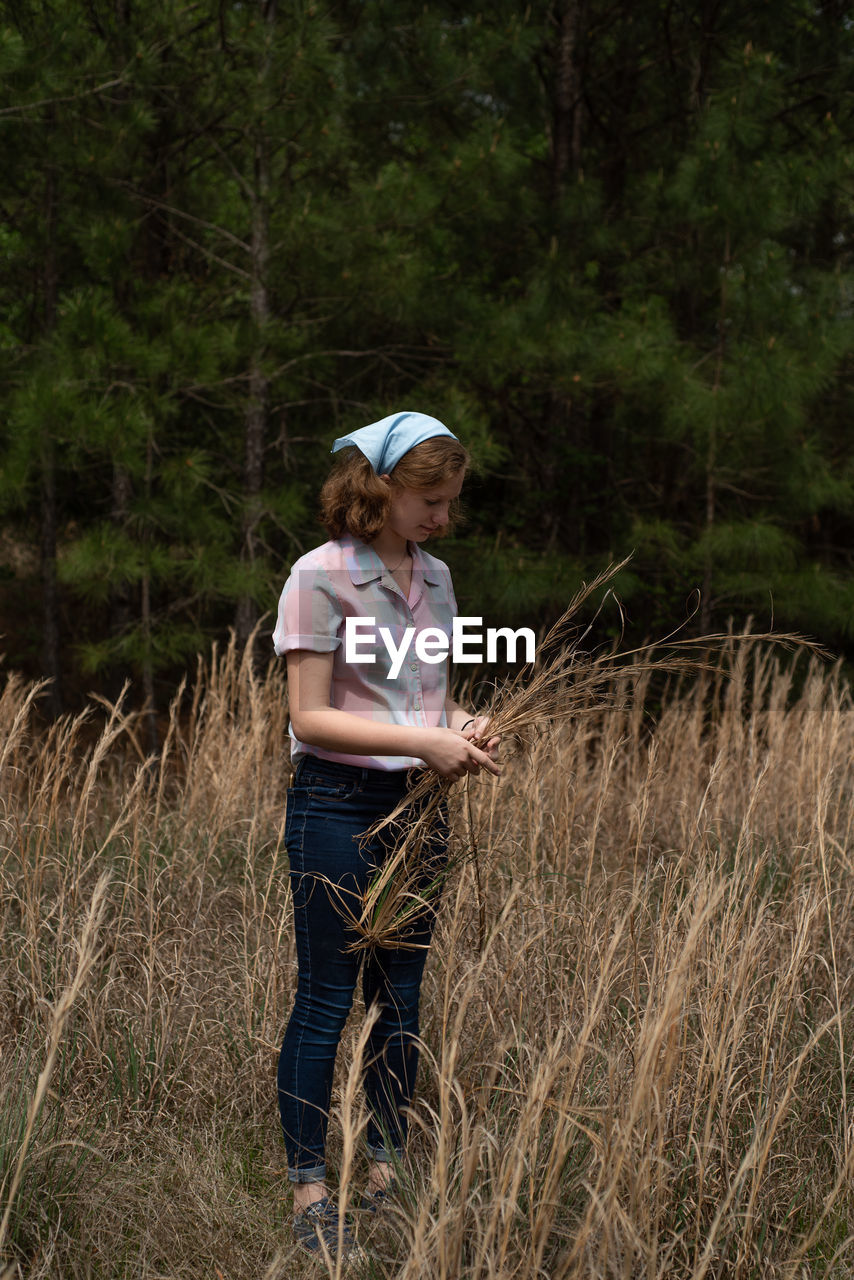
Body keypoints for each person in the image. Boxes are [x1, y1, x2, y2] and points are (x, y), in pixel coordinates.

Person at [272, 410, 500, 1259]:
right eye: (429, 500)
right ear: (379, 490)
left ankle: (383, 1178)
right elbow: (309, 714)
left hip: (419, 809)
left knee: (400, 1002)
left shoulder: (436, 580)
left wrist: (467, 727)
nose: (442, 517)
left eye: (450, 502)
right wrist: (423, 741)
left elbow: (429, 704)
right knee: (328, 999)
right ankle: (309, 1195)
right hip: (333, 804)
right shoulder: (318, 576)